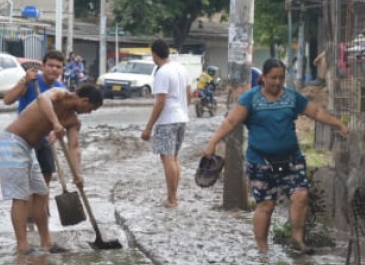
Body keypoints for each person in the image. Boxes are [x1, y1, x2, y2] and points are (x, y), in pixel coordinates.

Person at [201, 58, 349, 252]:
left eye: (281, 77)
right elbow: (231, 122)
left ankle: (297, 240)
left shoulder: (291, 98)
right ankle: (263, 250)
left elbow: (316, 113)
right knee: (266, 205)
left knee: (301, 195)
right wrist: (212, 142)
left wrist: (339, 124)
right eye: (273, 78)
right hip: (261, 162)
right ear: (263, 77)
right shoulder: (251, 99)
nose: (277, 82)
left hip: (291, 160)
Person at [0, 85, 103, 254]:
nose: (88, 112)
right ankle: (23, 246)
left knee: (41, 192)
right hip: (11, 142)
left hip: (28, 149)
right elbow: (42, 99)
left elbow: (74, 147)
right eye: (90, 109)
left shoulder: (73, 121)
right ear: (84, 101)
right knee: (20, 196)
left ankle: (47, 243)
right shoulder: (59, 94)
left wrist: (78, 174)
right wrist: (55, 122)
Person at [2, 50, 67, 223]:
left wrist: (55, 131)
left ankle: (40, 212)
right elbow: (7, 100)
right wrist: (24, 81)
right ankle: (28, 215)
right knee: (26, 180)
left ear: (62, 70)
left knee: (46, 176)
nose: (54, 69)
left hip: (44, 139)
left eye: (58, 67)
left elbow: (62, 117)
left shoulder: (60, 90)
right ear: (43, 66)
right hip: (23, 139)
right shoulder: (31, 82)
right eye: (51, 65)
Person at [141, 40, 192, 208]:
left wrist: (148, 127)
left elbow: (160, 101)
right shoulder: (181, 68)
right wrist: (184, 109)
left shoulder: (162, 72)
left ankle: (172, 199)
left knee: (168, 159)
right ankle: (173, 197)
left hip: (167, 120)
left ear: (154, 54)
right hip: (182, 118)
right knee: (175, 158)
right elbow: (189, 93)